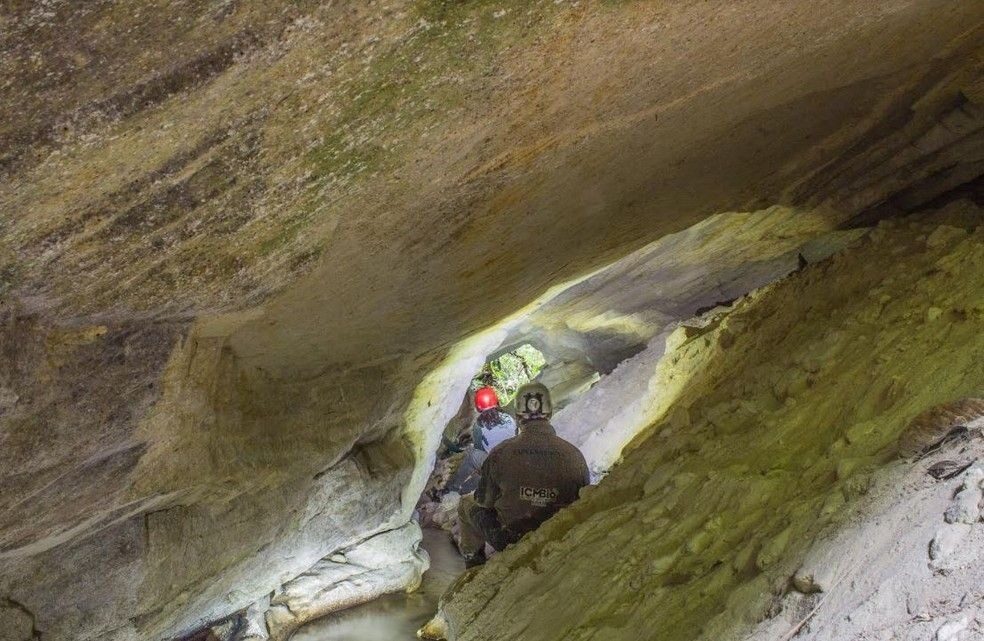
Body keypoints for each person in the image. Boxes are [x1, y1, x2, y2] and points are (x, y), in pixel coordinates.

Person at [457, 381, 590, 567]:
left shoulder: (501, 453)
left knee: (466, 504)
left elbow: (484, 501)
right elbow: (584, 502)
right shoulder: (574, 455)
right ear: (550, 414)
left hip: (512, 539)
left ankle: (474, 566)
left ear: (518, 416)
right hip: (559, 534)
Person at [445, 385, 516, 494]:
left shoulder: (479, 425)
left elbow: (479, 448)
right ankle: (465, 490)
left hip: (494, 465)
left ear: (479, 407)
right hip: (509, 464)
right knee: (486, 466)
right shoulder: (509, 418)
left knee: (472, 455)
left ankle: (453, 486)